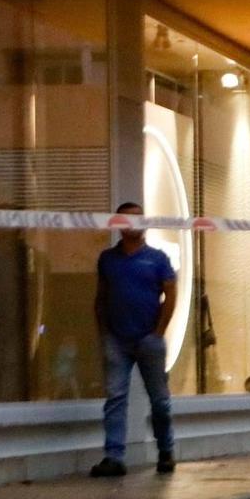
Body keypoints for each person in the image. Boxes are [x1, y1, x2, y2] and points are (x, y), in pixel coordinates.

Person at [90, 202, 178, 477]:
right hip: (116, 339)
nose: (133, 224)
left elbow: (170, 294)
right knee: (115, 397)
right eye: (127, 220)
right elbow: (101, 296)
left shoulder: (158, 259)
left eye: (138, 219)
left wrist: (159, 332)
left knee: (160, 401)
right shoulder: (107, 259)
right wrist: (103, 331)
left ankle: (165, 450)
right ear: (118, 225)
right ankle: (114, 456)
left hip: (148, 340)